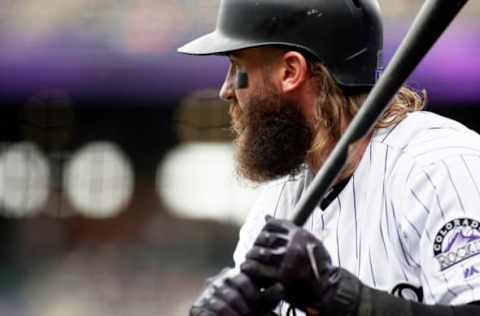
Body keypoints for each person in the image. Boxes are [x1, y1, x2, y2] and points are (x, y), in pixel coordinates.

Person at [178, 0, 480, 315]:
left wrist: (337, 295)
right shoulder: (276, 205)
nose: (226, 89)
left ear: (291, 71)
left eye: (239, 68)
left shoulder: (440, 166)